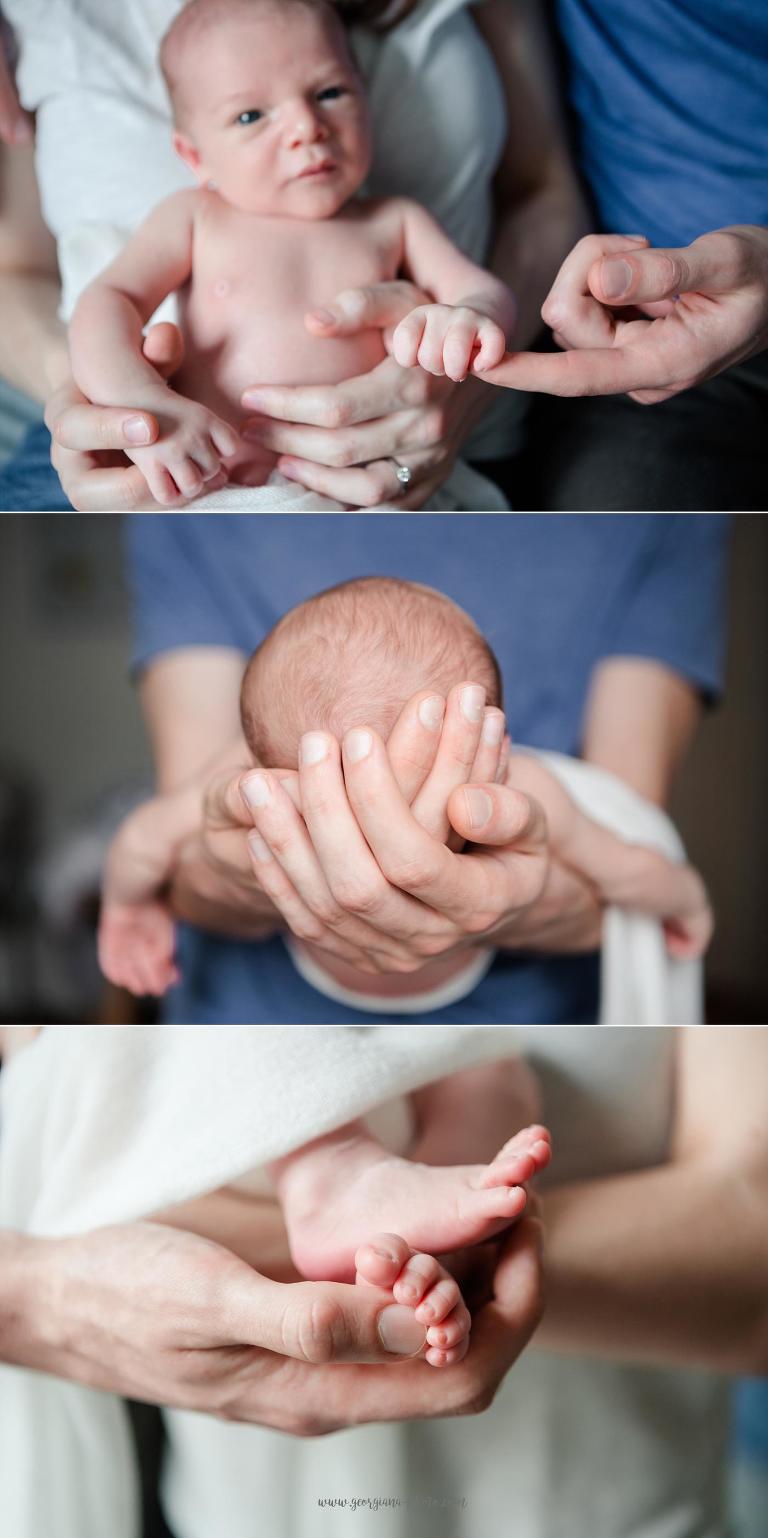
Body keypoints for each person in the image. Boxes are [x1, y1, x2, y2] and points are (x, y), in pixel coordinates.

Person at [121, 512, 727, 1025]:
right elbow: (632, 862)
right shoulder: (525, 789)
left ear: (257, 745)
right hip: (280, 1012)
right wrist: (687, 902)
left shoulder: (255, 786)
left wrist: (131, 913)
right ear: (488, 740)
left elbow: (143, 842)